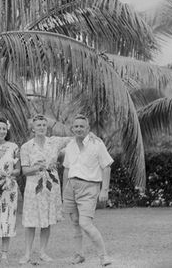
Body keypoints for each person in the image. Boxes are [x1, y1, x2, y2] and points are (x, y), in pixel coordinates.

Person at [62, 114, 113, 267]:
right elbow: (66, 169)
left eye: (81, 126)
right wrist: (64, 191)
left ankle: (103, 256)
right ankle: (79, 255)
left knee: (85, 223)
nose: (78, 129)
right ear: (72, 128)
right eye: (76, 126)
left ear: (88, 128)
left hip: (89, 187)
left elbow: (106, 167)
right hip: (71, 187)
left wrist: (104, 190)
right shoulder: (70, 145)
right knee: (75, 222)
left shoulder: (97, 143)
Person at [19, 114, 70, 264]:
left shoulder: (54, 142)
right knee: (31, 221)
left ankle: (43, 252)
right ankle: (27, 254)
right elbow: (25, 171)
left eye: (43, 125)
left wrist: (90, 135)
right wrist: (37, 167)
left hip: (50, 187)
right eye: (38, 125)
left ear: (46, 127)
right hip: (33, 188)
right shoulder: (26, 147)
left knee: (46, 221)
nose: (41, 127)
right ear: (33, 128)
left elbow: (72, 139)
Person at [0, 118, 20, 265]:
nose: (2, 131)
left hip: (9, 188)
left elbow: (19, 169)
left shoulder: (14, 147)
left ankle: (5, 255)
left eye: (4, 129)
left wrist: (10, 174)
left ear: (7, 130)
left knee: (7, 220)